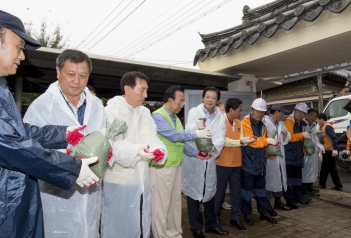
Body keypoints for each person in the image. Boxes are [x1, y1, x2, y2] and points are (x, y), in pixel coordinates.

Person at [0, 10, 99, 238]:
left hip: (15, 196)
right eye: (19, 46)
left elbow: (18, 131)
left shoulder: (2, 86)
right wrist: (71, 168)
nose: (22, 56)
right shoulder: (40, 103)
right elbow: (11, 145)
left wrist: (63, 133)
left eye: (82, 76)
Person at [23, 49, 107, 238]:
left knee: (89, 229)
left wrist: (108, 150)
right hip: (56, 192)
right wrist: (67, 155)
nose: (76, 81)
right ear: (58, 72)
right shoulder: (42, 106)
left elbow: (104, 135)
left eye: (82, 76)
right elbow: (30, 149)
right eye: (71, 74)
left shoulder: (97, 105)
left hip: (90, 187)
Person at [102, 71, 167, 238]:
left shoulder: (144, 113)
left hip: (141, 178)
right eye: (142, 90)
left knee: (139, 220)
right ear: (127, 89)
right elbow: (110, 145)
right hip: (118, 179)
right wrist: (137, 151)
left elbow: (152, 137)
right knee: (118, 223)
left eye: (147, 90)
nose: (145, 95)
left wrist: (158, 150)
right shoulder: (111, 111)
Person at [150, 85, 212, 238]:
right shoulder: (158, 116)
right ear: (170, 100)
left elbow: (181, 143)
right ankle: (161, 235)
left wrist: (197, 153)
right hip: (162, 167)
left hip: (176, 165)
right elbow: (174, 136)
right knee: (160, 205)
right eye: (180, 101)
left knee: (174, 202)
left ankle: (174, 233)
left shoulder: (175, 118)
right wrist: (197, 134)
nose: (182, 105)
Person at [182, 87, 228, 238]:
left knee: (209, 193)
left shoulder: (220, 116)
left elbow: (221, 135)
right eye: (207, 97)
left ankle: (211, 225)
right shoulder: (194, 112)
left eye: (213, 98)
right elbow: (188, 130)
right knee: (193, 195)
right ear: (203, 98)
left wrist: (215, 146)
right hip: (195, 158)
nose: (210, 100)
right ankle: (196, 229)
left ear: (217, 100)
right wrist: (199, 128)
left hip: (210, 157)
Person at [214, 98, 256, 231]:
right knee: (219, 193)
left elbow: (241, 138)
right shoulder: (220, 121)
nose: (240, 112)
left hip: (236, 163)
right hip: (221, 163)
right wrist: (240, 142)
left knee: (236, 192)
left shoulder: (239, 123)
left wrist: (246, 140)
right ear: (231, 110)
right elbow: (223, 141)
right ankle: (215, 218)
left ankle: (235, 218)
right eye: (239, 109)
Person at [241, 98, 278, 226]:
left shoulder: (263, 125)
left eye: (262, 112)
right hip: (248, 164)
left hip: (260, 165)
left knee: (261, 191)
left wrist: (269, 151)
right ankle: (247, 213)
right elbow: (251, 140)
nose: (260, 114)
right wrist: (267, 141)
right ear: (252, 110)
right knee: (246, 192)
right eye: (257, 111)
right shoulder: (245, 123)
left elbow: (264, 142)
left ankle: (264, 212)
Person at [263, 104, 292, 215]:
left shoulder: (281, 124)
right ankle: (266, 204)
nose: (283, 115)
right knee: (268, 179)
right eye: (282, 112)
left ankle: (278, 201)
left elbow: (286, 140)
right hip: (269, 157)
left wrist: (285, 135)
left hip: (279, 156)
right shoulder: (265, 122)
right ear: (277, 112)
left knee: (279, 177)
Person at [283, 103, 311, 209]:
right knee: (289, 180)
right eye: (298, 111)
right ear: (294, 111)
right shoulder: (289, 122)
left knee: (297, 179)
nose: (300, 114)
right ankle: (289, 200)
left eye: (302, 113)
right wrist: (302, 135)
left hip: (298, 156)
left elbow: (302, 140)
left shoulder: (302, 124)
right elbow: (290, 137)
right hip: (289, 156)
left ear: (304, 114)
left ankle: (297, 197)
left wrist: (305, 149)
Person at [315, 113, 343, 191]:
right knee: (330, 169)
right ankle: (337, 185)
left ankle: (323, 184)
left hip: (329, 151)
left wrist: (335, 149)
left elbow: (334, 137)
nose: (317, 121)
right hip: (328, 150)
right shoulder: (325, 126)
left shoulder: (327, 126)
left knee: (326, 168)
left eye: (318, 119)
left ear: (321, 119)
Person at [301, 108, 324, 199]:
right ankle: (304, 190)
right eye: (311, 115)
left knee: (312, 170)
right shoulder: (303, 124)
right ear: (306, 115)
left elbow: (315, 138)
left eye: (315, 116)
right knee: (305, 171)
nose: (313, 117)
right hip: (305, 151)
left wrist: (320, 146)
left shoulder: (314, 125)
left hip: (312, 151)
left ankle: (309, 187)